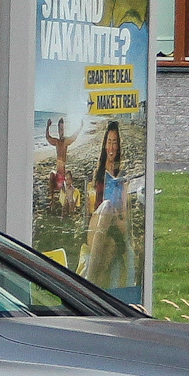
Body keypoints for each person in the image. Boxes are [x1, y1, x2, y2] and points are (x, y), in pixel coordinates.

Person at [82, 119, 134, 291]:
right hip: (96, 224)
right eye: (109, 142)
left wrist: (118, 219)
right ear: (105, 145)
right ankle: (91, 281)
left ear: (119, 147)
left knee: (111, 246)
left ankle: (92, 287)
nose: (111, 147)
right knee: (106, 207)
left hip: (115, 228)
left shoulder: (123, 175)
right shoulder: (97, 172)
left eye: (115, 143)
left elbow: (125, 222)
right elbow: (90, 209)